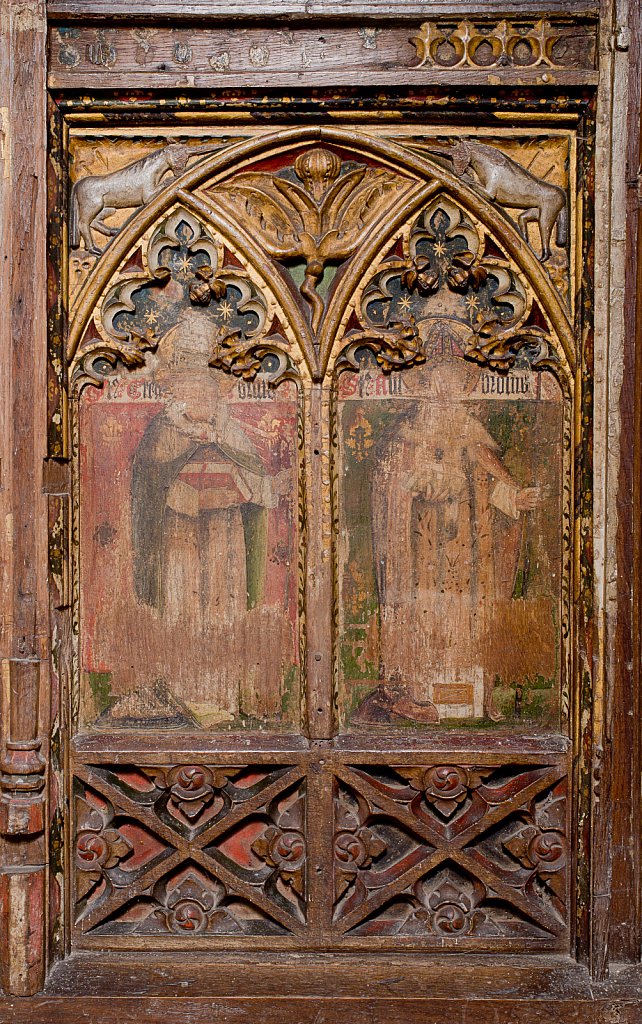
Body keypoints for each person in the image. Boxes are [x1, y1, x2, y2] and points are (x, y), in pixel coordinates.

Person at [370, 353, 539, 723]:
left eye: (455, 383)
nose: (447, 391)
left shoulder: (472, 434)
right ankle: (417, 692)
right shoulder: (406, 436)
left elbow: (491, 483)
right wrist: (419, 483)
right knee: (425, 612)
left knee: (466, 614)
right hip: (420, 550)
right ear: (426, 385)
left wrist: (514, 496)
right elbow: (390, 484)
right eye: (439, 382)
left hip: (468, 550)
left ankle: (470, 695)